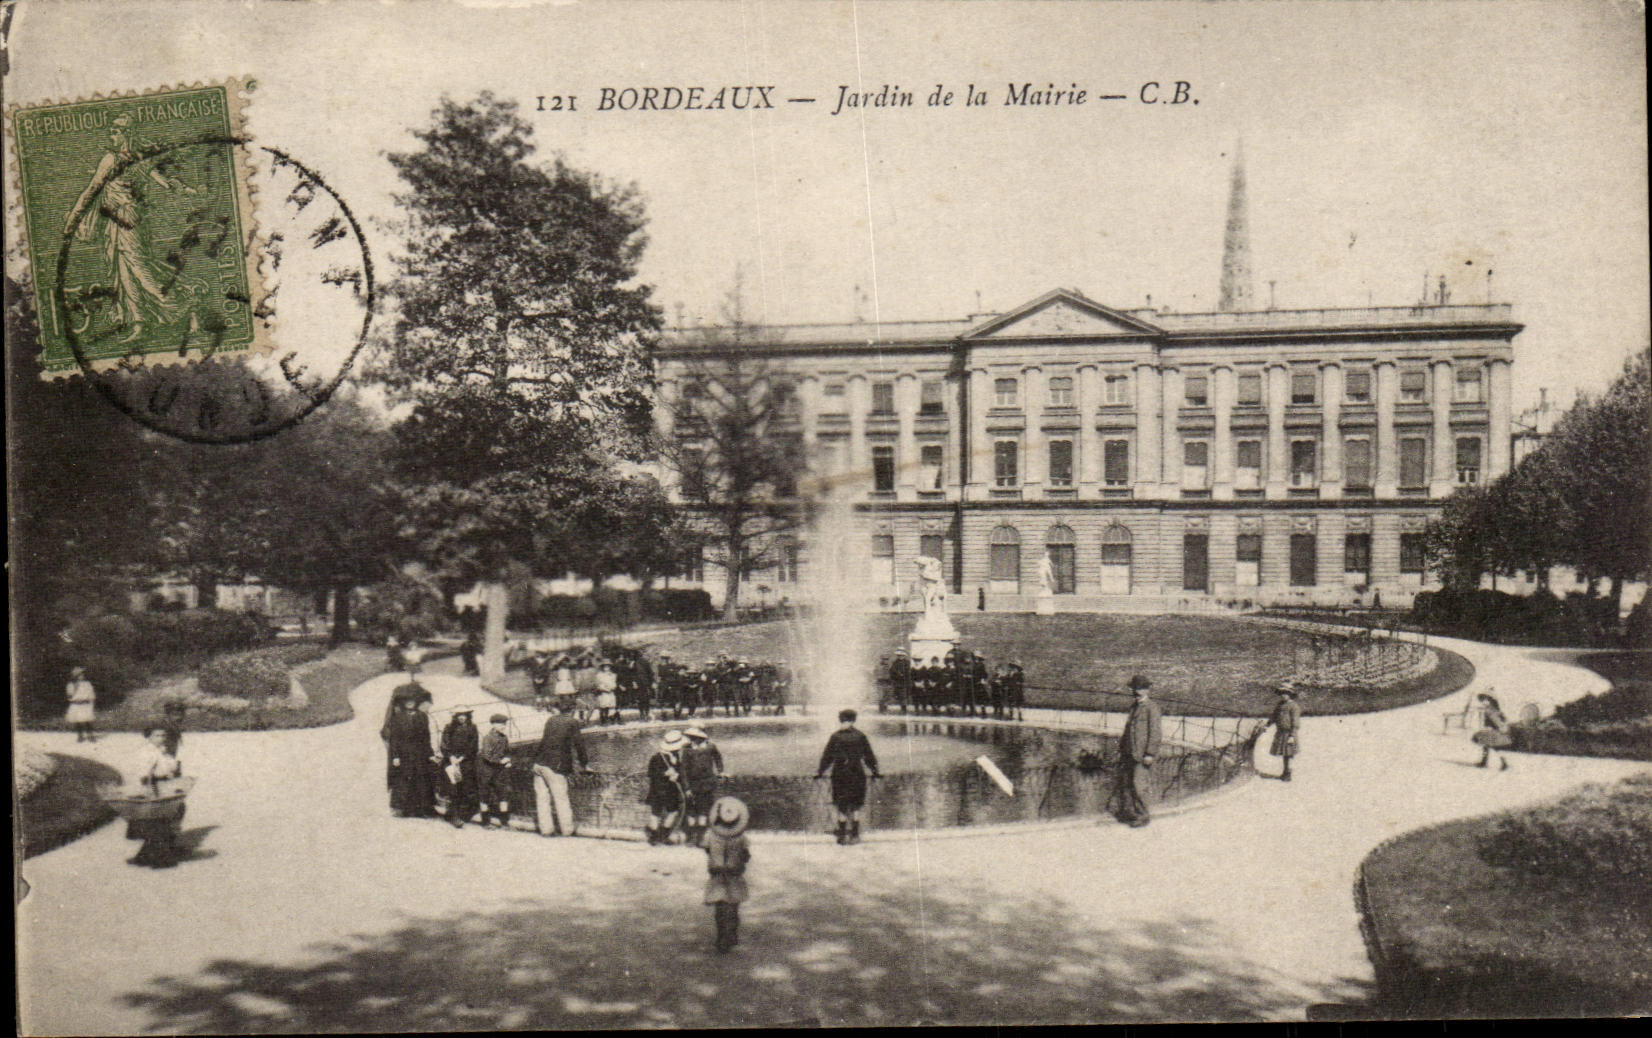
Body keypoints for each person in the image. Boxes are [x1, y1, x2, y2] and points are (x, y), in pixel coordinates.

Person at [815, 709, 880, 845]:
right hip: (857, 773)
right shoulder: (860, 736)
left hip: (840, 773)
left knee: (841, 804)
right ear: (854, 720)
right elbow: (869, 756)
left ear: (840, 720)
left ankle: (842, 835)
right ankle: (855, 834)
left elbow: (827, 757)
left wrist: (820, 772)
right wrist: (874, 771)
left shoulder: (835, 737)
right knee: (856, 804)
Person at [126, 725, 185, 867]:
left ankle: (156, 852)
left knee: (174, 812)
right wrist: (150, 790)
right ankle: (157, 857)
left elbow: (170, 767)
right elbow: (145, 773)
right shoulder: (147, 752)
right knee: (160, 819)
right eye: (157, 735)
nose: (161, 738)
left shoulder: (162, 751)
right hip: (154, 785)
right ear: (149, 737)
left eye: (163, 735)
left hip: (165, 784)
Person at [702, 796, 752, 953]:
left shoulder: (710, 835)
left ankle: (722, 935)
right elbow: (746, 855)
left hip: (717, 874)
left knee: (720, 907)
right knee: (733, 907)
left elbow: (706, 849)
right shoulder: (741, 838)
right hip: (734, 874)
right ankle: (731, 934)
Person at [532, 698, 589, 836]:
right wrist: (584, 764)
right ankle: (567, 830)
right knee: (561, 798)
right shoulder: (572, 722)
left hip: (539, 763)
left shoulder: (551, 720)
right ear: (573, 710)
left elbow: (544, 741)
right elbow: (579, 745)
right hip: (555, 766)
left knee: (542, 799)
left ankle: (546, 830)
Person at [1113, 674, 1162, 827]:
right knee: (1128, 784)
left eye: (1141, 688)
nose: (1137, 692)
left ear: (1147, 690)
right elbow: (1128, 730)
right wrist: (1122, 748)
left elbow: (1155, 733)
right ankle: (1133, 813)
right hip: (1129, 753)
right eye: (1135, 688)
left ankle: (1143, 815)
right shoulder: (1134, 707)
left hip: (1142, 755)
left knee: (1139, 785)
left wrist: (1150, 753)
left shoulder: (1152, 708)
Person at [386, 691, 438, 818]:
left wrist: (430, 753)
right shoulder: (397, 718)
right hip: (404, 754)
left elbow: (426, 736)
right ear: (404, 703)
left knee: (421, 779)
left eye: (413, 701)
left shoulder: (422, 716)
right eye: (407, 701)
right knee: (405, 780)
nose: (410, 703)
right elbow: (394, 739)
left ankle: (422, 809)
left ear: (416, 702)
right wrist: (395, 756)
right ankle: (404, 809)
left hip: (420, 753)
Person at [681, 726, 725, 845]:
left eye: (694, 738)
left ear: (701, 737)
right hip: (692, 783)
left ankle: (700, 838)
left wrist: (720, 771)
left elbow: (718, 758)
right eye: (691, 737)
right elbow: (683, 770)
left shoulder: (710, 747)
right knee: (691, 811)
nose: (692, 740)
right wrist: (687, 788)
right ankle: (690, 836)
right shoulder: (687, 750)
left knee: (703, 810)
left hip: (707, 783)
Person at [643, 730, 688, 845]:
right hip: (661, 790)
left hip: (667, 790)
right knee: (659, 813)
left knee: (667, 812)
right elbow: (651, 774)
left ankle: (660, 836)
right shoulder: (657, 758)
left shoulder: (675, 756)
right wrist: (666, 774)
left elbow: (678, 771)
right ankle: (657, 836)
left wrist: (675, 774)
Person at [440, 709, 481, 828]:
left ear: (468, 716)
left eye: (464, 715)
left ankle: (463, 814)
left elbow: (474, 745)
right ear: (455, 716)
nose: (462, 717)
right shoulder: (449, 727)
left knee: (467, 788)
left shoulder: (472, 727)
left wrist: (463, 757)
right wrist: (451, 756)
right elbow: (444, 743)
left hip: (466, 762)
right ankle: (453, 815)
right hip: (451, 762)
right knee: (453, 789)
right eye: (459, 715)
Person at [1257, 683, 1302, 781]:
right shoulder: (1279, 705)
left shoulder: (1294, 706)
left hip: (1289, 733)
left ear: (1290, 694)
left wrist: (1292, 735)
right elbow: (1273, 717)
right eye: (1281, 693)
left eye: (1285, 693)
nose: (1283, 695)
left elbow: (1295, 722)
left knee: (1289, 754)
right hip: (1280, 732)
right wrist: (1267, 725)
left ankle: (1288, 772)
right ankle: (1285, 771)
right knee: (1284, 753)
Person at [477, 713, 514, 827]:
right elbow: (487, 755)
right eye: (500, 724)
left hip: (499, 771)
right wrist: (500, 761)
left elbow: (507, 751)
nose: (503, 726)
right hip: (487, 770)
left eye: (504, 724)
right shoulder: (488, 738)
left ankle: (504, 822)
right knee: (485, 795)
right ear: (493, 724)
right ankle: (485, 822)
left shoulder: (504, 737)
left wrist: (508, 759)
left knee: (503, 794)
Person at [1472, 692, 1513, 770]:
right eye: (1482, 700)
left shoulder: (1491, 710)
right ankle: (1485, 762)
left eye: (1485, 699)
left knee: (1494, 748)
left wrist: (1498, 728)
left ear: (1490, 700)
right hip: (1492, 731)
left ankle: (1503, 763)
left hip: (1494, 732)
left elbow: (1497, 721)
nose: (1483, 702)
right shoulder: (1491, 709)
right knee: (1486, 746)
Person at [65, 666, 97, 743]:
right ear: (76, 676)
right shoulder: (71, 685)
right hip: (76, 704)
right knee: (77, 720)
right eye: (80, 675)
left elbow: (91, 695)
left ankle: (90, 735)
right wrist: (75, 688)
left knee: (87, 720)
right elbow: (69, 695)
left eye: (82, 675)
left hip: (85, 704)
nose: (82, 676)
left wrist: (91, 703)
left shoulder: (87, 684)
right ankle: (80, 735)